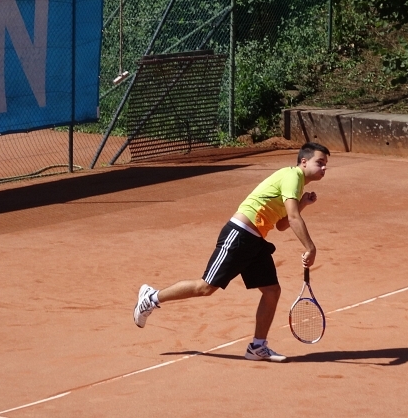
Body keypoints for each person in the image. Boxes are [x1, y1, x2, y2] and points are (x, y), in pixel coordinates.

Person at [133, 142, 330, 362]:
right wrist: (310, 247)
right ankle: (151, 297)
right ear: (304, 162)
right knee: (205, 287)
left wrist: (302, 203)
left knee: (271, 291)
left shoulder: (297, 184)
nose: (323, 168)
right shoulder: (292, 176)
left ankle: (257, 347)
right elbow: (292, 219)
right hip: (240, 234)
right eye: (319, 162)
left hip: (256, 240)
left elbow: (281, 224)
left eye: (325, 164)